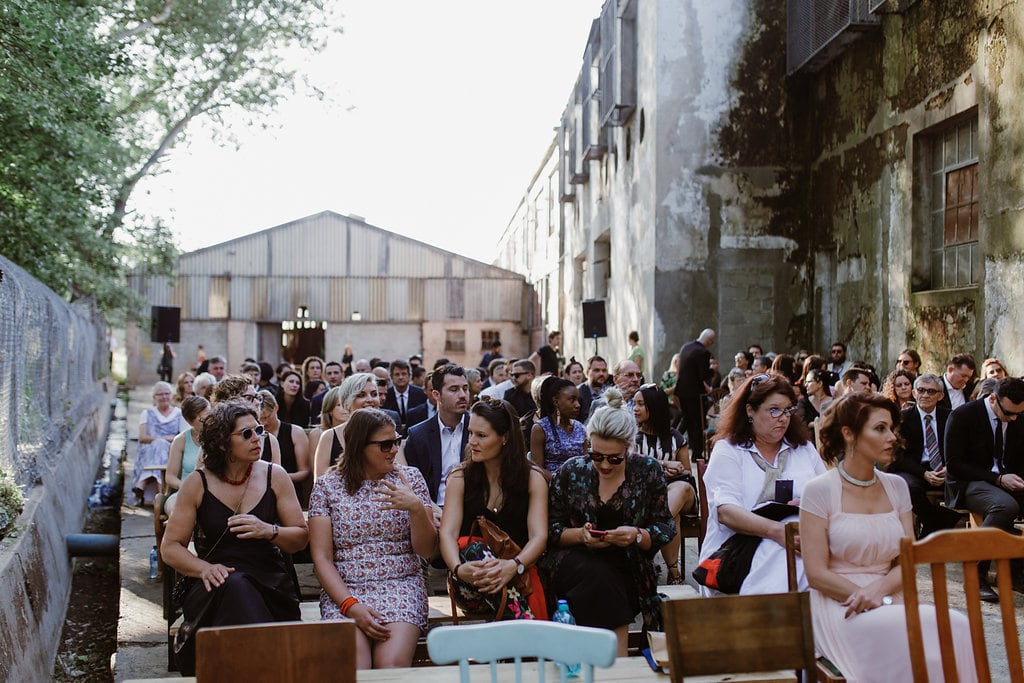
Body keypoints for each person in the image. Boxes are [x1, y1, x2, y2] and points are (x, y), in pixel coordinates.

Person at [800, 392, 976, 681]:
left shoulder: (897, 487)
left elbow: (907, 561)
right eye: (880, 428)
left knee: (955, 624)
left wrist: (881, 594)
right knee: (926, 628)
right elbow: (816, 573)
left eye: (892, 428)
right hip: (839, 602)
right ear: (849, 434)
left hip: (888, 594)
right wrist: (869, 598)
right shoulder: (819, 490)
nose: (892, 437)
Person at [160, 400, 308, 676]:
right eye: (247, 434)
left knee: (240, 588)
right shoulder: (197, 482)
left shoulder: (274, 476)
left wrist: (269, 530)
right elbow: (170, 548)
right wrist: (205, 568)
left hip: (269, 583)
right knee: (234, 584)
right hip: (213, 583)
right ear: (221, 444)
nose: (258, 439)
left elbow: (300, 538)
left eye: (259, 430)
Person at [545, 392, 675, 654]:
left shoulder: (647, 470)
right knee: (601, 578)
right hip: (573, 559)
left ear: (629, 448)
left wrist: (637, 535)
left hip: (629, 563)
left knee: (609, 580)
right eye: (596, 456)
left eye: (614, 458)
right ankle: (617, 666)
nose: (604, 465)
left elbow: (664, 527)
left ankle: (602, 664)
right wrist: (580, 536)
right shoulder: (572, 471)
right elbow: (550, 529)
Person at [308, 408, 435, 669]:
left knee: (391, 663)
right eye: (385, 444)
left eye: (396, 441)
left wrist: (416, 508)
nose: (393, 450)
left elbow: (426, 550)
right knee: (354, 664)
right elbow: (321, 558)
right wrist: (349, 605)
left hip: (400, 585)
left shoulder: (410, 479)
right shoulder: (327, 486)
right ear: (358, 446)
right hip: (345, 588)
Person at [698, 373, 826, 596]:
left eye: (788, 410)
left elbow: (828, 498)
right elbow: (726, 512)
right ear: (750, 411)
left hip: (801, 545)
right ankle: (775, 615)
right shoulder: (728, 451)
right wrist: (778, 531)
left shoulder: (803, 449)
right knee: (787, 558)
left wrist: (806, 505)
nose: (783, 418)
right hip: (736, 557)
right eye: (774, 410)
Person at [440, 397, 549, 621]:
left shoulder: (532, 478)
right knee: (473, 548)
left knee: (497, 570)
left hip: (519, 576)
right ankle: (527, 630)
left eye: (481, 435)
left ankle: (520, 631)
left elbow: (539, 536)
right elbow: (448, 533)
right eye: (470, 433)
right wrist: (458, 569)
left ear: (505, 438)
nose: (472, 442)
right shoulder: (459, 477)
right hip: (471, 580)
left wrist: (514, 565)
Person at [945, 377, 1024, 600]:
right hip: (968, 482)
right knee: (1005, 507)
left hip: (1008, 479)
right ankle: (976, 574)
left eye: (1018, 414)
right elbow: (955, 464)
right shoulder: (963, 416)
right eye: (1009, 413)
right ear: (992, 399)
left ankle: (1015, 572)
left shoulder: (1018, 416)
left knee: (1008, 502)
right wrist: (997, 479)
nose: (1014, 418)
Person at [633, 384, 697, 584]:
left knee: (682, 488)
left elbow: (687, 471)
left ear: (654, 407)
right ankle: (674, 573)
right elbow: (631, 463)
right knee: (672, 516)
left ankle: (647, 552)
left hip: (679, 491)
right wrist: (661, 464)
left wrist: (675, 470)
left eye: (641, 404)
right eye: (634, 404)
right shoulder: (632, 436)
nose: (635, 408)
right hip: (649, 497)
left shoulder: (675, 437)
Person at [889, 373, 959, 538]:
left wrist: (949, 468)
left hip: (944, 470)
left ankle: (936, 525)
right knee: (907, 487)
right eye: (921, 390)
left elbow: (959, 449)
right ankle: (938, 521)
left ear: (940, 396)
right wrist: (924, 473)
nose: (925, 395)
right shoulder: (902, 418)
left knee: (966, 484)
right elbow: (898, 456)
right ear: (914, 393)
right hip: (913, 469)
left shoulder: (950, 417)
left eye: (931, 391)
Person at [400, 365, 471, 510]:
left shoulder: (478, 429)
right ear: (436, 395)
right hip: (433, 510)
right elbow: (413, 484)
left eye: (465, 388)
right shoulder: (418, 435)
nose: (463, 395)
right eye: (454, 389)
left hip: (472, 510)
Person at [313, 373, 381, 478]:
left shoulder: (389, 433)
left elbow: (403, 474)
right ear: (346, 403)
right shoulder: (329, 436)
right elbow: (319, 483)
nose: (370, 399)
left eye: (374, 394)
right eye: (361, 395)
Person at [131, 382, 182, 506]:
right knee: (159, 445)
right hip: (150, 449)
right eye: (160, 394)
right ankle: (162, 491)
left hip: (172, 449)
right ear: (154, 397)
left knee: (162, 446)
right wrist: (162, 439)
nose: (164, 397)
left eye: (167, 393)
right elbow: (142, 437)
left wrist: (168, 440)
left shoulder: (179, 413)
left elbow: (183, 435)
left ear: (172, 395)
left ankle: (142, 482)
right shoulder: (147, 414)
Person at [258, 391, 310, 503]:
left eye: (267, 417)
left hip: (291, 491)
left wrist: (278, 478)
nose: (264, 422)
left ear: (276, 408)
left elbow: (304, 471)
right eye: (260, 419)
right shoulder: (256, 435)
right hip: (261, 491)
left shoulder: (295, 432)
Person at [529, 376, 586, 479]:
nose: (577, 405)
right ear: (556, 402)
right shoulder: (541, 428)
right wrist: (560, 480)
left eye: (578, 400)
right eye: (572, 400)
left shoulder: (580, 428)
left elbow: (587, 463)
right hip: (551, 486)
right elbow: (536, 468)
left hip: (579, 487)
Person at [164, 396, 210, 517]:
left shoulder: (219, 438)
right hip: (185, 490)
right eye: (202, 419)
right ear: (190, 421)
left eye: (209, 415)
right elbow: (170, 476)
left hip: (212, 492)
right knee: (177, 510)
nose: (208, 421)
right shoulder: (181, 440)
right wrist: (183, 486)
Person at [677, 329, 716, 461]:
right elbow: (703, 375)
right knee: (698, 423)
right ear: (709, 341)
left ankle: (674, 443)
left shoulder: (686, 347)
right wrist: (712, 370)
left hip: (682, 391)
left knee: (687, 421)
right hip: (695, 393)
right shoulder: (703, 352)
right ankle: (697, 454)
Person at [382, 359, 427, 433]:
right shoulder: (386, 395)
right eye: (397, 374)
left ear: (409, 376)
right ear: (391, 377)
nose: (400, 377)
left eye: (404, 374)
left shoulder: (421, 394)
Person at [577, 355, 610, 421]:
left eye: (604, 370)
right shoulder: (578, 393)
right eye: (596, 370)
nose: (601, 374)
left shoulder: (610, 392)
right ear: (587, 372)